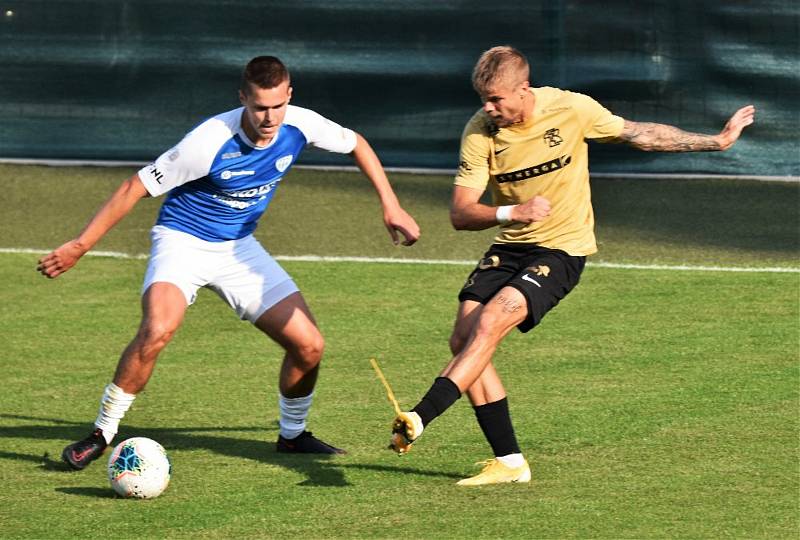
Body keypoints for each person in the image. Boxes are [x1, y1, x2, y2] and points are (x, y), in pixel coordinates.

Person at [389, 45, 755, 485]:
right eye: (482, 99)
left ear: (523, 89)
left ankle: (420, 416)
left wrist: (716, 141)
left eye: (496, 99)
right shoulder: (480, 132)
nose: (488, 108)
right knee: (463, 338)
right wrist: (511, 213)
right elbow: (460, 213)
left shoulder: (571, 108)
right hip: (511, 244)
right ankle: (510, 463)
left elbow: (640, 134)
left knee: (490, 323)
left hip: (562, 249)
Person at [38, 55, 420, 470]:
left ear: (289, 95)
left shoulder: (302, 123)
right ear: (243, 99)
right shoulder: (208, 141)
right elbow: (134, 187)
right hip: (182, 242)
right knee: (157, 330)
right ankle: (101, 432)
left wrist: (391, 205)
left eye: (277, 105)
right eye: (259, 107)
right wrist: (80, 244)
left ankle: (292, 437)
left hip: (238, 248)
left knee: (309, 346)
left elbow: (356, 143)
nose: (270, 117)